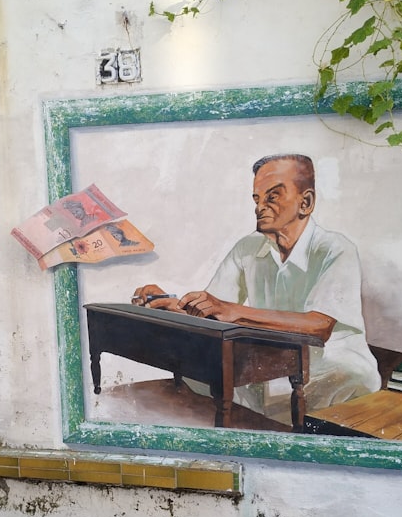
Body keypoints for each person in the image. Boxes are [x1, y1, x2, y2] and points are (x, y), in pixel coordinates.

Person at [132, 153, 380, 423]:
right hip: (271, 365)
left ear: (305, 202)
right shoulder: (247, 247)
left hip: (329, 367)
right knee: (203, 370)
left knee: (342, 378)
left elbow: (319, 326)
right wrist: (173, 304)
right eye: (257, 198)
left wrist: (234, 311)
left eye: (272, 196)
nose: (260, 206)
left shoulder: (335, 248)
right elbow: (216, 310)